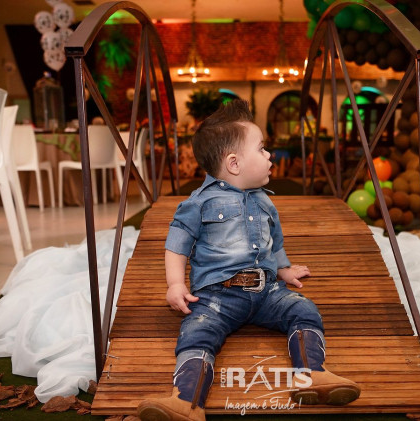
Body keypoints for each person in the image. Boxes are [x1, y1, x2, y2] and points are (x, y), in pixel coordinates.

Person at [137, 100, 359, 421]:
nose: (270, 156)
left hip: (267, 292)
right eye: (262, 149)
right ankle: (187, 401)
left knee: (303, 310)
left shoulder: (265, 201)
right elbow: (177, 244)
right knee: (197, 331)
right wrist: (175, 283)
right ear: (234, 163)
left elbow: (274, 241)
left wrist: (283, 269)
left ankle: (313, 374)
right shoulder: (200, 203)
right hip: (217, 297)